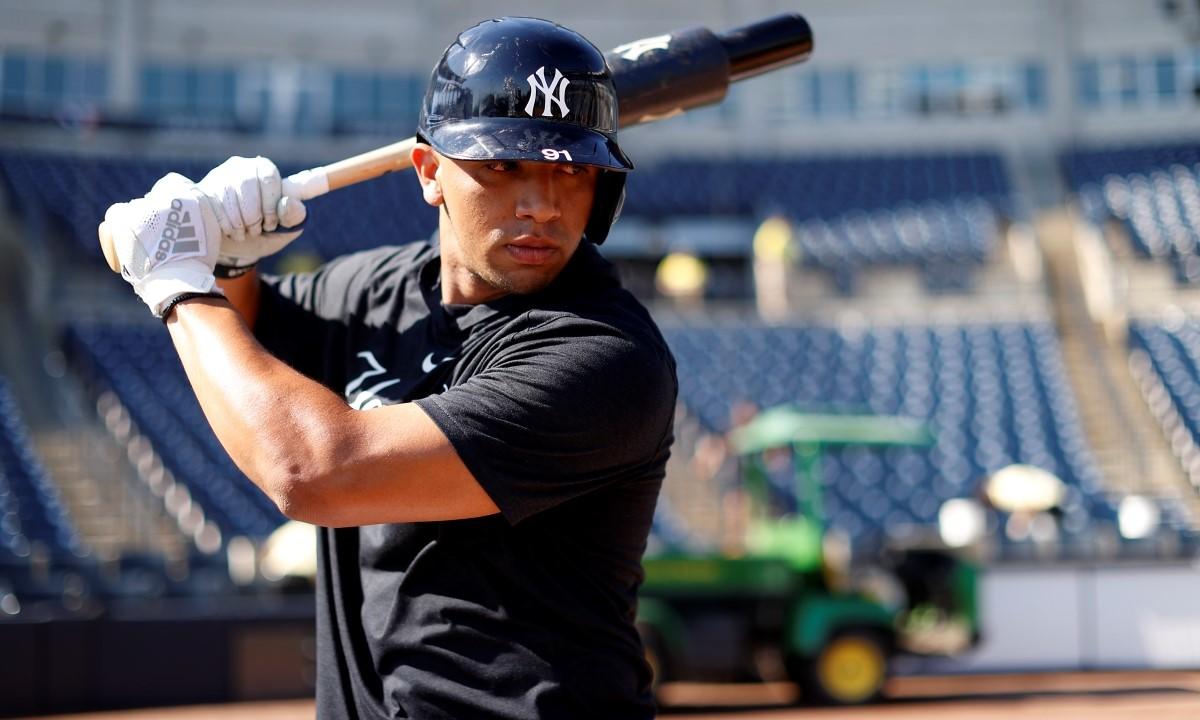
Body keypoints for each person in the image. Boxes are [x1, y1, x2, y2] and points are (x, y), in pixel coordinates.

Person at [102, 17, 677, 720]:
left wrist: (179, 285)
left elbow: (311, 469)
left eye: (570, 170)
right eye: (503, 166)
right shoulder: (373, 292)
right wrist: (231, 263)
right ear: (430, 171)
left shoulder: (604, 359)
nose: (541, 205)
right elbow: (248, 342)